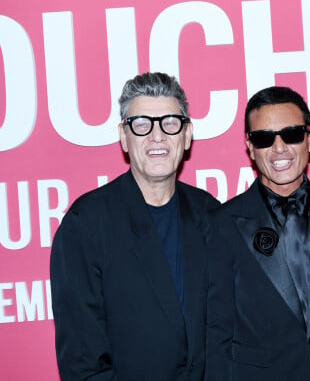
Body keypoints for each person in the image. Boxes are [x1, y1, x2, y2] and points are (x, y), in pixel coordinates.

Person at [50, 72, 220, 380]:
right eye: (142, 124)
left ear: (186, 135)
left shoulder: (209, 214)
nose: (157, 136)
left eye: (170, 122)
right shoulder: (86, 225)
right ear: (124, 137)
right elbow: (83, 365)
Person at [206, 86, 310, 380]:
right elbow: (217, 333)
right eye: (264, 138)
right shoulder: (221, 224)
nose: (279, 148)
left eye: (291, 134)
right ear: (250, 147)